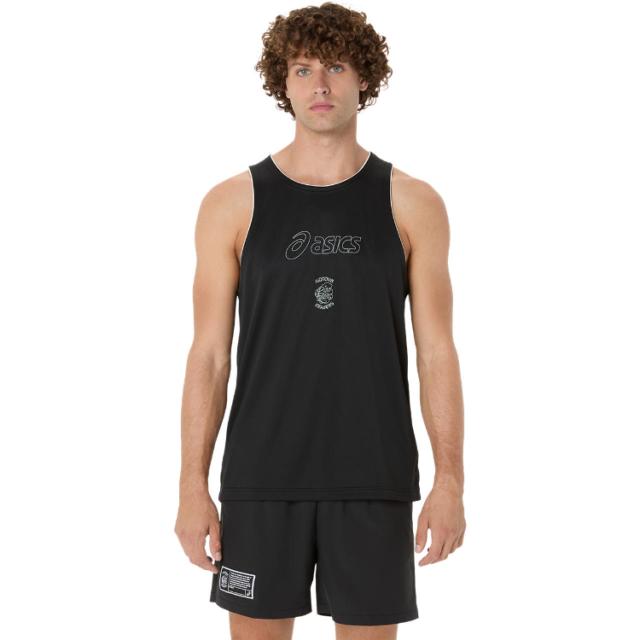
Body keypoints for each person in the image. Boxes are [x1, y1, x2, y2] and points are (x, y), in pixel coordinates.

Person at [175, 3, 466, 638]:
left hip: (374, 477)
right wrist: (192, 486)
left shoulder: (413, 203)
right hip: (260, 478)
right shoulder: (232, 204)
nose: (321, 85)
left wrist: (450, 482)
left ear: (365, 77)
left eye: (336, 67)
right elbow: (210, 356)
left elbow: (437, 352)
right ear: (282, 83)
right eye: (303, 70)